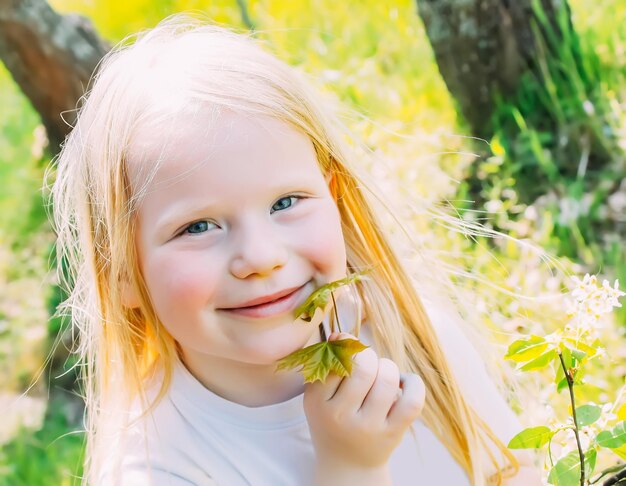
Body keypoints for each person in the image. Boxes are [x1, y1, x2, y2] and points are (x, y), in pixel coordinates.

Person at [48, 13, 543, 486]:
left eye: (286, 201)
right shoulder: (162, 468)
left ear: (335, 198)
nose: (262, 258)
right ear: (122, 275)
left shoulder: (417, 342)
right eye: (198, 226)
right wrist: (352, 468)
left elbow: (517, 472)